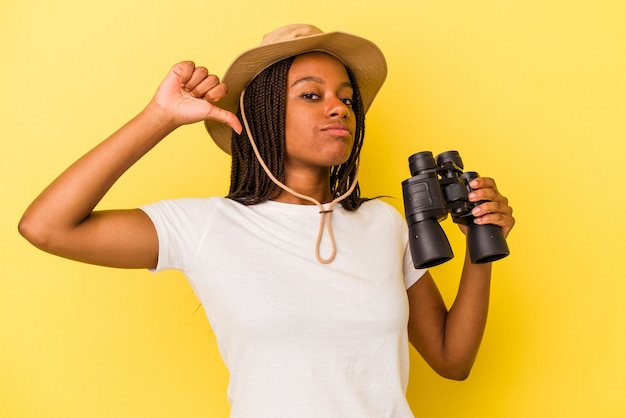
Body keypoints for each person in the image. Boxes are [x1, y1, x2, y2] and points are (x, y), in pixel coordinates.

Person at [18, 24, 515, 418]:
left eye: (346, 97)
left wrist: (479, 246)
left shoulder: (383, 224)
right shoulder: (208, 226)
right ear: (262, 115)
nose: (339, 108)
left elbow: (453, 361)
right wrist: (160, 116)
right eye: (311, 95)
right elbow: (46, 227)